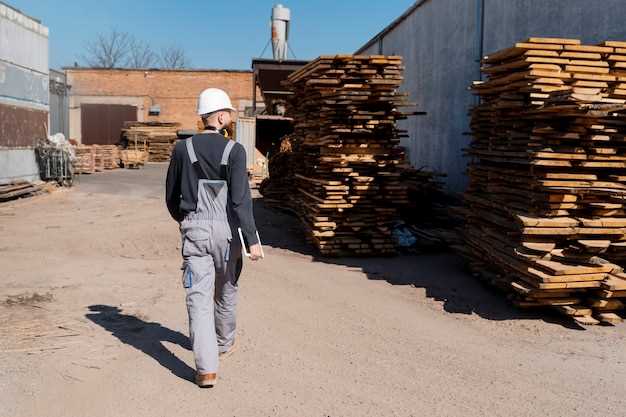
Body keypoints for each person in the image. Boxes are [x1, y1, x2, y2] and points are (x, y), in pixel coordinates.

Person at [165, 88, 263, 388]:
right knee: (227, 288)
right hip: (226, 232)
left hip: (194, 228)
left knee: (198, 297)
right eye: (229, 114)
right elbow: (240, 201)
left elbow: (171, 196)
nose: (230, 119)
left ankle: (207, 369)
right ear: (220, 116)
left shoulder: (182, 149)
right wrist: (252, 239)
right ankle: (223, 342)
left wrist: (186, 220)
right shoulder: (235, 151)